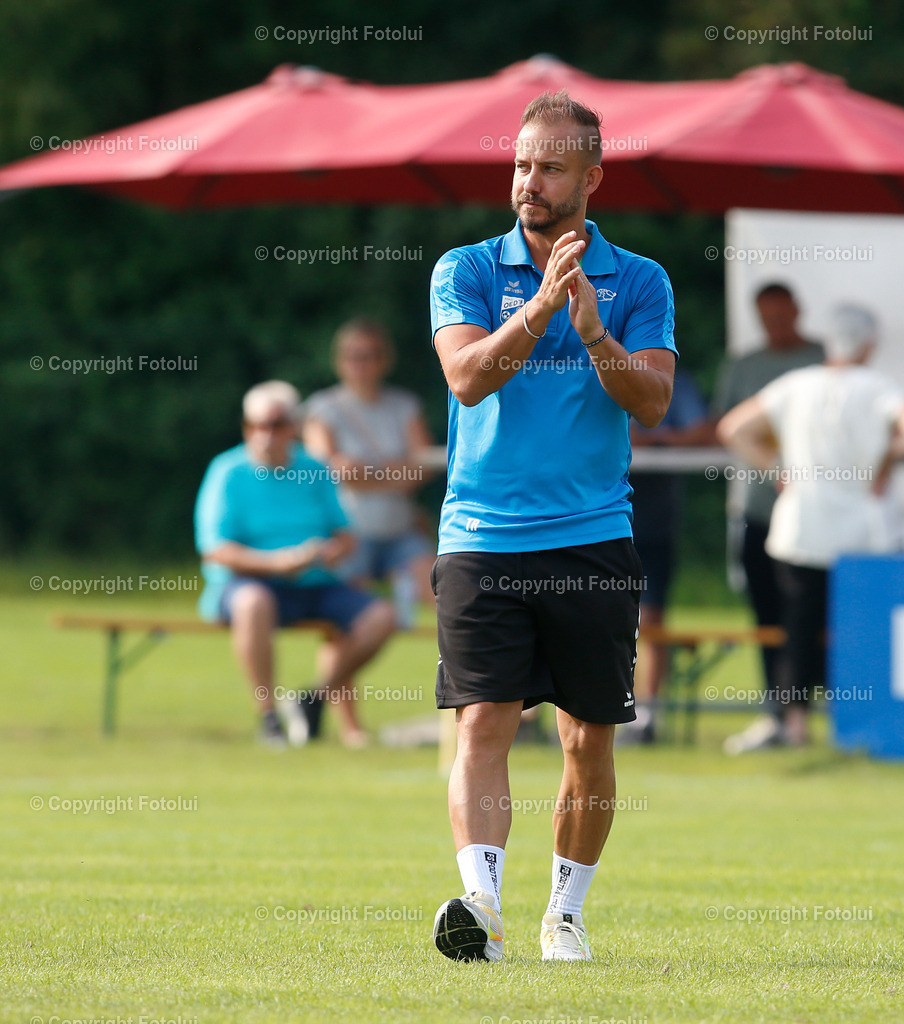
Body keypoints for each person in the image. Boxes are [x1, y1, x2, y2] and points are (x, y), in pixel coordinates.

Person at [427, 89, 676, 963]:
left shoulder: (640, 280)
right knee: (482, 722)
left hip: (592, 537)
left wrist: (597, 335)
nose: (529, 182)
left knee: (587, 739)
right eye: (522, 164)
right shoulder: (464, 267)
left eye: (551, 168)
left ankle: (563, 915)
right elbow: (466, 378)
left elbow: (653, 402)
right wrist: (539, 309)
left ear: (592, 179)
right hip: (480, 537)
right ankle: (484, 908)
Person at [717, 306, 904, 745]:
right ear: (869, 344)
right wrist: (887, 459)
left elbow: (733, 428)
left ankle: (795, 723)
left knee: (798, 628)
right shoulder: (878, 387)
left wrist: (777, 469)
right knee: (863, 629)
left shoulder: (796, 384)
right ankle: (862, 721)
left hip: (803, 528)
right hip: (865, 534)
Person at [194, 381, 396, 748]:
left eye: (274, 425)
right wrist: (274, 564)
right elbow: (215, 549)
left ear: (293, 426)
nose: (264, 434)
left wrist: (330, 551)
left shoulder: (315, 468)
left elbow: (347, 535)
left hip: (315, 582)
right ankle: (269, 717)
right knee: (253, 603)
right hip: (247, 583)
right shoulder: (227, 471)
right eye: (255, 425)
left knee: (381, 616)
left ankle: (312, 699)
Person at [712, 283, 825, 755]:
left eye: (782, 315)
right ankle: (778, 710)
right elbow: (723, 425)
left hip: (814, 516)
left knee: (812, 614)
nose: (776, 325)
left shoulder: (821, 361)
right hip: (758, 511)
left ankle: (809, 709)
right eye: (767, 317)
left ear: (798, 311)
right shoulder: (744, 366)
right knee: (768, 615)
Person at [304, 318, 435, 626]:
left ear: (385, 360)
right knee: (353, 618)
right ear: (339, 360)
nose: (360, 364)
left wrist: (365, 474)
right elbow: (328, 470)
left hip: (400, 530)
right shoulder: (322, 408)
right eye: (352, 356)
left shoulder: (404, 405)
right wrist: (396, 471)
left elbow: (424, 467)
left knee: (443, 593)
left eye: (369, 355)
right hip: (350, 535)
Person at [626, 368, 710, 741]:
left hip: (654, 523)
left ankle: (646, 714)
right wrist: (657, 440)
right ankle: (598, 705)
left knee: (652, 619)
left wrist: (654, 441)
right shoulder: (584, 367)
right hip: (596, 522)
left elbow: (702, 431)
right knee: (591, 615)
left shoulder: (676, 381)